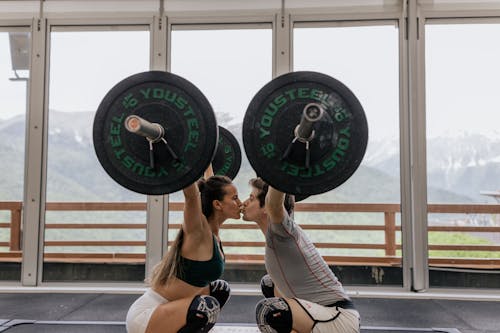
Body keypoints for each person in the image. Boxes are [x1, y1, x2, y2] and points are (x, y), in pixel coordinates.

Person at [126, 169, 242, 333]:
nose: (241, 203)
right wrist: (187, 162)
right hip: (147, 316)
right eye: (235, 198)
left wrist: (205, 156)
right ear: (217, 204)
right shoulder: (198, 233)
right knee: (205, 308)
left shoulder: (213, 233)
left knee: (220, 290)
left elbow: (208, 185)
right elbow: (192, 195)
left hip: (173, 311)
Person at [242, 177, 360, 333]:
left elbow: (274, 203)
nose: (244, 203)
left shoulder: (283, 232)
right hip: (321, 314)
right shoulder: (280, 233)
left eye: (251, 198)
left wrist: (280, 169)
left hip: (337, 317)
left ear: (266, 208)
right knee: (270, 284)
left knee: (270, 310)